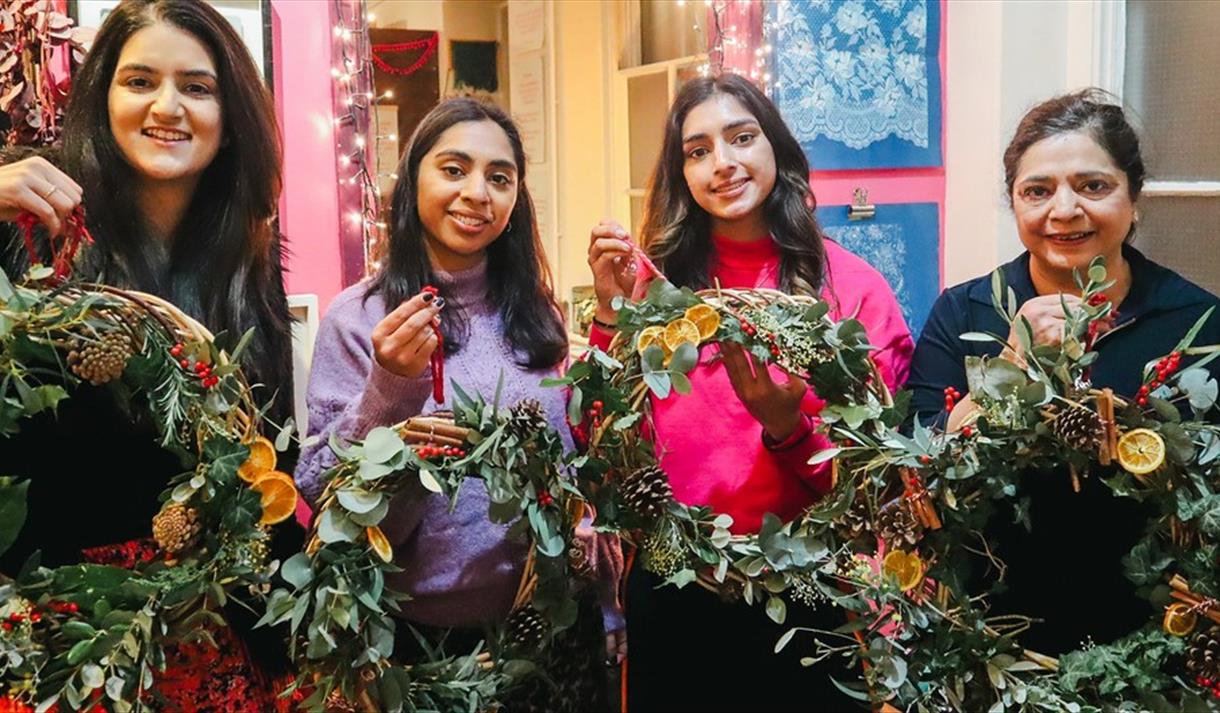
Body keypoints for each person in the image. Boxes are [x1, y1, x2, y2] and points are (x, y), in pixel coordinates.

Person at [0, 1, 297, 709]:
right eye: (140, 81)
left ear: (230, 122)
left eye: (197, 87)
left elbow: (265, 462)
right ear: (102, 100)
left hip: (204, 638)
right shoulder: (28, 218)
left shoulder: (249, 263)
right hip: (54, 647)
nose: (168, 106)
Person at [587, 73, 914, 712]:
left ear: (778, 151)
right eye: (698, 150)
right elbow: (601, 450)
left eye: (742, 138)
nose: (723, 163)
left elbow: (879, 486)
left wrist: (788, 430)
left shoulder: (853, 293)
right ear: (680, 173)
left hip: (810, 590)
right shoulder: (654, 293)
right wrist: (607, 318)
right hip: (678, 581)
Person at [295, 97, 620, 711]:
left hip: (550, 634)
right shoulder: (360, 319)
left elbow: (574, 467)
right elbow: (323, 495)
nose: (478, 193)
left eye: (499, 178)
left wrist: (602, 598)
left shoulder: (538, 315)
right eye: (454, 169)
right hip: (423, 652)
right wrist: (391, 387)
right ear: (414, 177)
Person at [906, 89, 1220, 654]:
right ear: (1015, 203)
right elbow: (923, 474)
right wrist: (1014, 362)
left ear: (1134, 195)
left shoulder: (1196, 323)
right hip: (994, 640)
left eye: (1093, 186)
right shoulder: (964, 312)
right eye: (1038, 191)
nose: (1065, 210)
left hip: (1154, 645)